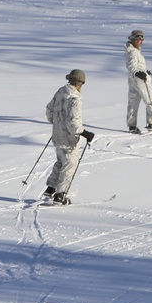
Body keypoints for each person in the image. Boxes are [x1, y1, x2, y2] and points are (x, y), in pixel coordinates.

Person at [44, 69, 94, 205]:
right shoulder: (75, 98)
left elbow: (49, 110)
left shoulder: (60, 92)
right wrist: (84, 133)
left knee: (61, 162)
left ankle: (50, 189)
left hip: (57, 134)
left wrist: (56, 123)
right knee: (70, 164)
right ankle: (60, 195)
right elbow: (73, 122)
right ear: (80, 83)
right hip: (69, 138)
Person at [125, 29, 152, 133]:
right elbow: (132, 66)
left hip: (133, 79)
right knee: (150, 100)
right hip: (139, 80)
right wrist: (138, 73)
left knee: (133, 102)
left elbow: (136, 66)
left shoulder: (133, 51)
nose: (139, 41)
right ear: (132, 39)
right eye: (137, 38)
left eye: (141, 39)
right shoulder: (133, 52)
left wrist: (145, 72)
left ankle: (132, 125)